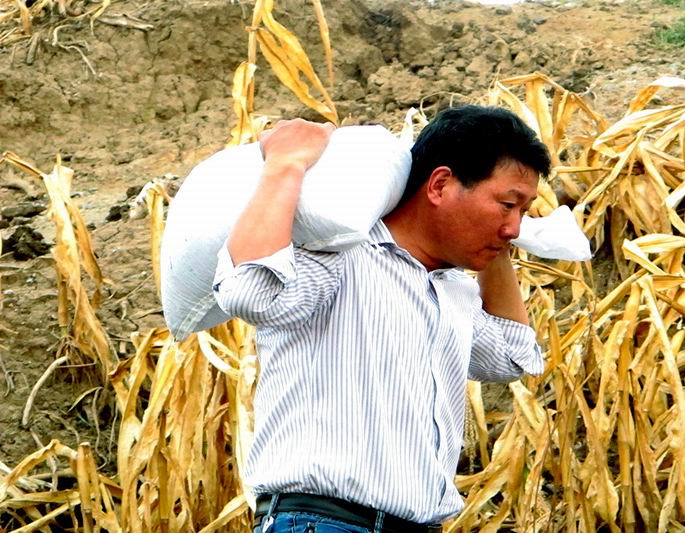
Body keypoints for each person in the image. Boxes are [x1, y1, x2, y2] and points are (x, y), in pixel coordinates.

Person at [212, 105, 552, 533]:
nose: (516, 227)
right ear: (440, 184)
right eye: (507, 204)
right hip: (324, 522)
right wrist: (286, 163)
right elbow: (249, 292)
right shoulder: (343, 251)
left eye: (523, 211)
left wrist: (496, 241)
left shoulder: (449, 287)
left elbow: (512, 356)